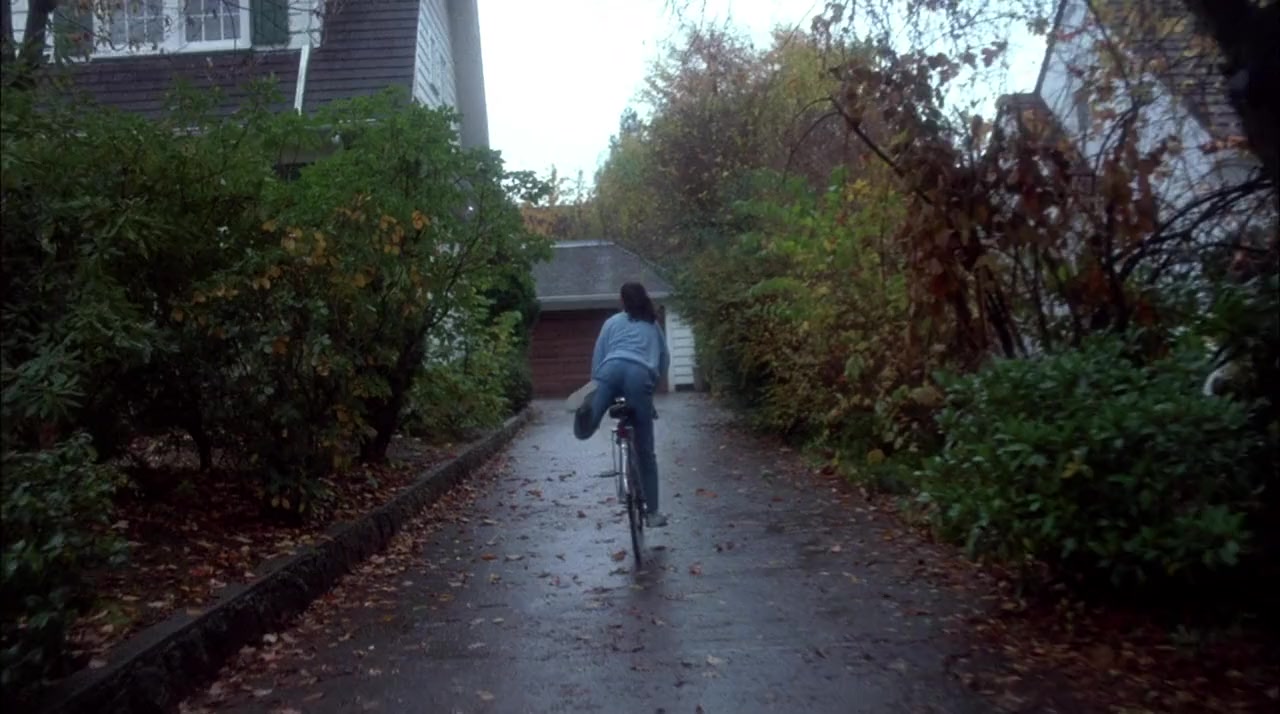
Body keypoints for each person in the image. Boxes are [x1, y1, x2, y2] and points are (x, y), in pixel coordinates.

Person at [574, 282, 670, 527]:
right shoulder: (653, 325)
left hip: (611, 369)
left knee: (590, 420)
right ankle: (653, 513)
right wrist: (653, 388)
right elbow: (664, 359)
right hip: (639, 376)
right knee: (645, 450)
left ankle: (586, 417)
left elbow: (599, 356)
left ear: (622, 301)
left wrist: (596, 385)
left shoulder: (612, 322)